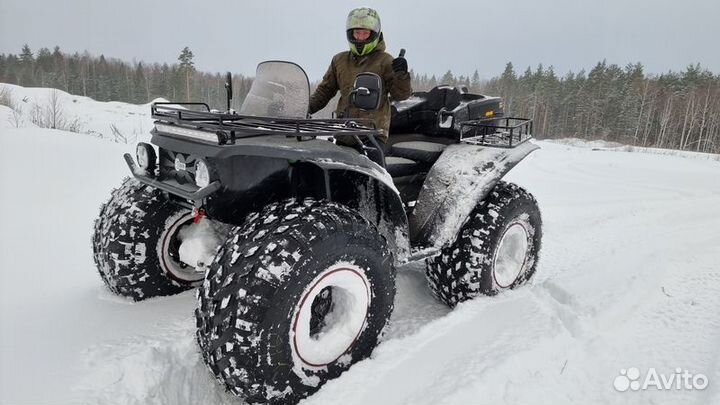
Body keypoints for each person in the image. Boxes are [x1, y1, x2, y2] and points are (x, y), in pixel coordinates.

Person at [309, 7, 412, 147]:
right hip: (344, 132)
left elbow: (401, 95)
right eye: (357, 33)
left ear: (374, 34)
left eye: (365, 33)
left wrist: (402, 75)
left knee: (375, 167)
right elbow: (324, 91)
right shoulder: (339, 60)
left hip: (373, 134)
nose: (360, 37)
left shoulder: (385, 61)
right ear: (351, 34)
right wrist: (303, 108)